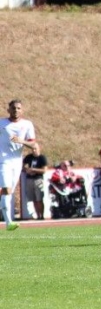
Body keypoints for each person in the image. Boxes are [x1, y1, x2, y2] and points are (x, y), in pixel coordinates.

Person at [0, 99, 37, 231]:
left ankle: (6, 218)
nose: (16, 110)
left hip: (17, 162)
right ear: (8, 110)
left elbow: (33, 144)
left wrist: (21, 141)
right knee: (6, 189)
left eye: (18, 108)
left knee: (8, 192)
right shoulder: (2, 123)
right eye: (13, 108)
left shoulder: (27, 124)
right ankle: (8, 222)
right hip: (3, 160)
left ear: (22, 110)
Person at [21, 142, 47, 220]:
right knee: (34, 199)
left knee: (39, 199)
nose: (34, 150)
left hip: (38, 179)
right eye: (32, 149)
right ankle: (37, 215)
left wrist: (34, 170)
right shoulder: (28, 157)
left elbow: (44, 170)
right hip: (29, 179)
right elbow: (24, 167)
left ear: (39, 149)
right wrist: (27, 170)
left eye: (35, 149)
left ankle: (41, 215)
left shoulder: (42, 158)